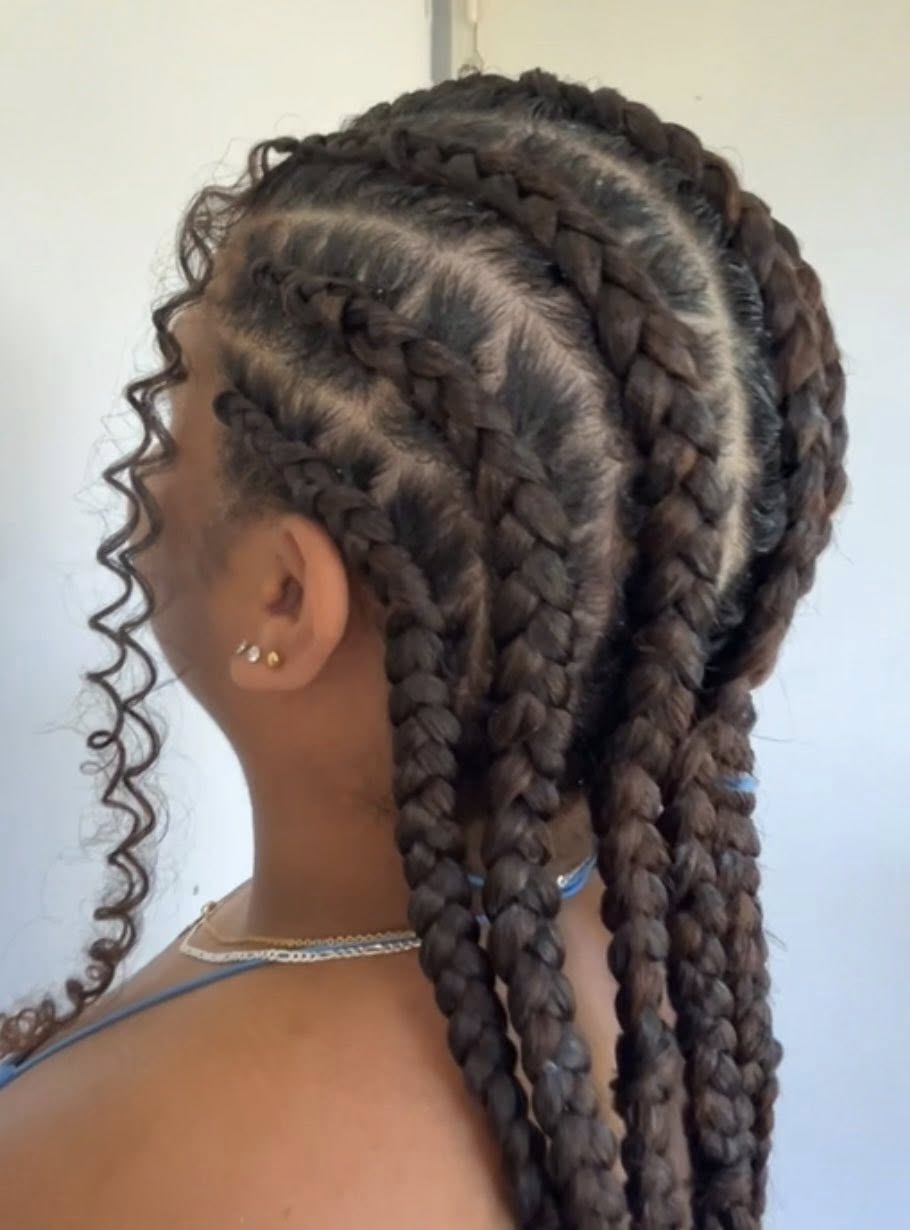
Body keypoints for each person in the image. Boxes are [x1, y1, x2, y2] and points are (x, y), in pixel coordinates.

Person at [0, 68, 847, 1230]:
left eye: (170, 426)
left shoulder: (121, 1177)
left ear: (285, 601)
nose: (142, 474)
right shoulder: (630, 947)